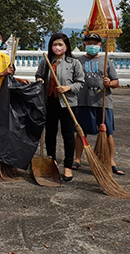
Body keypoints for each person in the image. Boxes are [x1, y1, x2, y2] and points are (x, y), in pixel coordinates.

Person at [73, 33, 125, 175]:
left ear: (100, 45)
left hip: (103, 103)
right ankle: (77, 158)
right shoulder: (78, 61)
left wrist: (109, 83)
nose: (92, 46)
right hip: (83, 101)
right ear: (84, 44)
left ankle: (110, 160)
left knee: (108, 133)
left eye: (95, 44)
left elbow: (116, 82)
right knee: (80, 132)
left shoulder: (106, 61)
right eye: (89, 43)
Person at [35, 33, 85, 181]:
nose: (57, 47)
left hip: (67, 103)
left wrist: (68, 88)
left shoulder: (73, 63)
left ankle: (68, 166)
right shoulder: (46, 61)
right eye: (55, 44)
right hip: (49, 102)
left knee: (68, 135)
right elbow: (39, 75)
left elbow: (80, 82)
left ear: (66, 46)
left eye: (60, 45)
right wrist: (39, 80)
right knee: (50, 133)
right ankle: (52, 161)